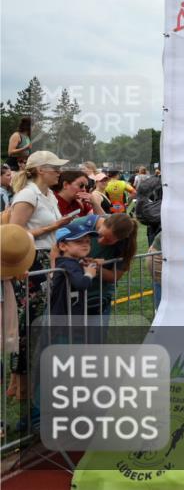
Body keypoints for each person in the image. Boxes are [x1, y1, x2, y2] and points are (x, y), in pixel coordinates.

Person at [6, 151, 74, 406]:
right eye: (54, 168)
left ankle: (25, 382)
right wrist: (52, 229)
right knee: (30, 323)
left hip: (47, 261)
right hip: (32, 262)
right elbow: (14, 234)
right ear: (39, 170)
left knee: (39, 322)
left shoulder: (48, 196)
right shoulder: (28, 195)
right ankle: (20, 382)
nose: (59, 172)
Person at [48, 224, 100, 319]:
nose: (85, 244)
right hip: (64, 319)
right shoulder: (69, 264)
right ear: (63, 246)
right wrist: (89, 273)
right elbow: (81, 284)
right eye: (79, 241)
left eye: (88, 241)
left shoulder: (71, 263)